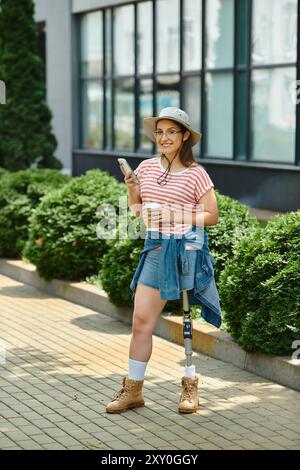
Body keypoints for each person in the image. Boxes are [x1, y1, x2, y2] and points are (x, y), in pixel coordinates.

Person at [106, 107, 221, 414]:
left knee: (186, 322)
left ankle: (190, 387)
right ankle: (133, 390)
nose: (164, 137)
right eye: (160, 132)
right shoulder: (144, 168)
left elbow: (212, 216)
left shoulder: (197, 174)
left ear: (184, 136)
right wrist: (132, 192)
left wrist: (174, 214)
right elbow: (137, 212)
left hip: (187, 250)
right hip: (156, 248)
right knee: (140, 322)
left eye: (171, 132)